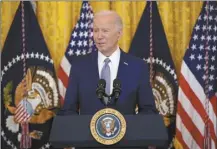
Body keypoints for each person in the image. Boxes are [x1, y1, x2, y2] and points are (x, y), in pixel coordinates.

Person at [59, 10, 157, 149]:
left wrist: (138, 135)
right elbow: (69, 110)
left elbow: (148, 110)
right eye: (95, 30)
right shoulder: (79, 66)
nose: (99, 36)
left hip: (127, 145)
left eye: (105, 30)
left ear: (119, 33)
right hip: (88, 144)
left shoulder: (138, 66)